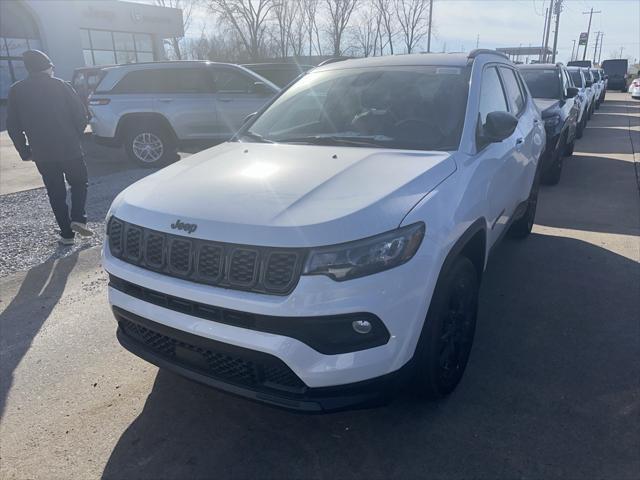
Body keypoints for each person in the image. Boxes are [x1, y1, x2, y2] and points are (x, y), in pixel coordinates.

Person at [6, 50, 93, 245]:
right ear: (47, 67)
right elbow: (81, 115)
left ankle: (67, 235)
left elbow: (13, 125)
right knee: (79, 183)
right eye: (52, 67)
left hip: (42, 153)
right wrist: (76, 136)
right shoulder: (61, 86)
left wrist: (24, 150)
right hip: (70, 149)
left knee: (56, 192)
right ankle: (78, 218)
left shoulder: (17, 90)